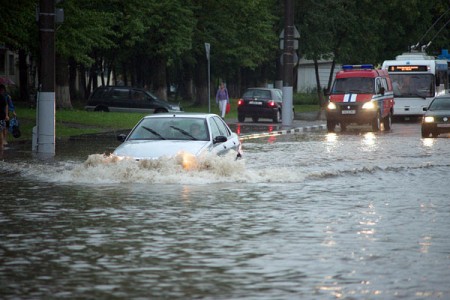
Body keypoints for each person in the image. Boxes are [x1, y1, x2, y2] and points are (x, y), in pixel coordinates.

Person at [0, 84, 9, 150]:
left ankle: (2, 143)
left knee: (2, 130)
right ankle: (2, 143)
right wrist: (6, 115)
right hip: (2, 116)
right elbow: (6, 105)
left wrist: (6, 115)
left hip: (1, 116)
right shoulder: (2, 97)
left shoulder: (2, 97)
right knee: (2, 129)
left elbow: (6, 105)